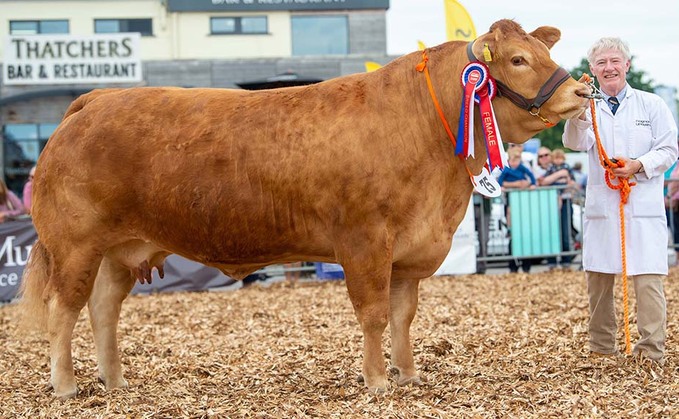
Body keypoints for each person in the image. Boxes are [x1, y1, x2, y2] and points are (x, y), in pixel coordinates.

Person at [563, 37, 678, 364]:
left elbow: (670, 148)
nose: (609, 68)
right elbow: (573, 142)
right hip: (603, 208)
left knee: (648, 281)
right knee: (598, 281)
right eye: (601, 63)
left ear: (626, 64)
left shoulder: (652, 104)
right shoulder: (587, 105)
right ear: (592, 70)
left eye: (615, 61)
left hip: (642, 205)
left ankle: (650, 350)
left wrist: (638, 165)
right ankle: (602, 348)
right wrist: (579, 113)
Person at [498, 148, 536, 273]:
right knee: (512, 234)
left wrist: (532, 184)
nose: (514, 163)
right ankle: (513, 265)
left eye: (516, 160)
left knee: (525, 233)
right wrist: (506, 186)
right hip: (511, 200)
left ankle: (526, 265)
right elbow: (500, 181)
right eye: (512, 160)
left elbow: (531, 176)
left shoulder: (522, 168)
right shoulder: (506, 169)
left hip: (522, 202)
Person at [540, 149, 577, 270]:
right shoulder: (552, 169)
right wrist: (562, 175)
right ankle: (552, 261)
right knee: (552, 232)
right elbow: (544, 181)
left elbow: (572, 183)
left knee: (565, 232)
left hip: (565, 200)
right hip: (553, 201)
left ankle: (566, 260)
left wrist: (565, 181)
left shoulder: (566, 167)